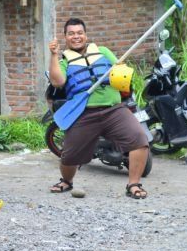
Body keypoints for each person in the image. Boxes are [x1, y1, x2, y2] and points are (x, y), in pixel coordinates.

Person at [48, 18, 149, 199]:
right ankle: (67, 181)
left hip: (114, 109)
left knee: (140, 140)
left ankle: (133, 184)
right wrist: (54, 55)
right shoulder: (64, 60)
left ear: (86, 35)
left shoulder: (102, 52)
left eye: (79, 33)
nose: (76, 37)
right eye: (71, 33)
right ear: (65, 37)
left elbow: (120, 69)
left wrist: (121, 74)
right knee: (69, 156)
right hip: (84, 113)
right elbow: (57, 81)